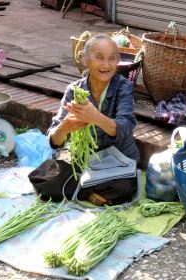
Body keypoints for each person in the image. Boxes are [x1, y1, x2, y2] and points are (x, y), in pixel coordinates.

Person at [45, 33, 140, 205]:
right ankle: (88, 191)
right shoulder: (74, 90)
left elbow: (125, 127)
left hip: (116, 159)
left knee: (124, 189)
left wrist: (96, 117)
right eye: (99, 58)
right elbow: (54, 140)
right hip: (82, 159)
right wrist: (65, 127)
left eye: (112, 59)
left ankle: (80, 189)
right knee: (46, 180)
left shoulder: (123, 87)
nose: (106, 65)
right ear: (85, 60)